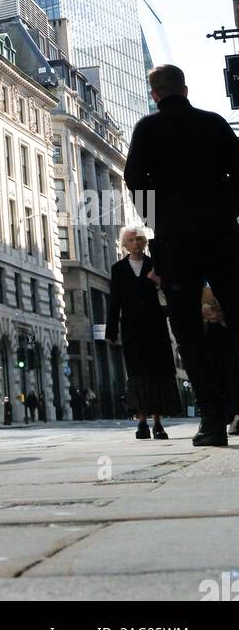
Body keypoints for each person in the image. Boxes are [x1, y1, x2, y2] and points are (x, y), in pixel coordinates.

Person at [124, 63, 239, 447]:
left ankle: (211, 419)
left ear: (154, 94)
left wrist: (158, 220)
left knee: (187, 328)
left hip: (177, 242)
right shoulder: (214, 123)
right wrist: (228, 210)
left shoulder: (148, 129)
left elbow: (134, 179)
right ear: (185, 90)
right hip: (222, 234)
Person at [105, 227, 179, 438]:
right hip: (132, 330)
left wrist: (158, 281)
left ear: (145, 242)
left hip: (155, 327)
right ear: (125, 245)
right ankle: (141, 422)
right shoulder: (118, 269)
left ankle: (157, 422)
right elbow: (114, 302)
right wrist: (111, 331)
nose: (136, 243)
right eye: (131, 240)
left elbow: (171, 294)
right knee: (137, 375)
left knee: (158, 373)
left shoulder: (154, 265)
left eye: (139, 239)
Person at [201, 288, 239, 434]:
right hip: (212, 334)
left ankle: (232, 416)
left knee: (230, 375)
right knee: (221, 375)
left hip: (227, 330)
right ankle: (227, 417)